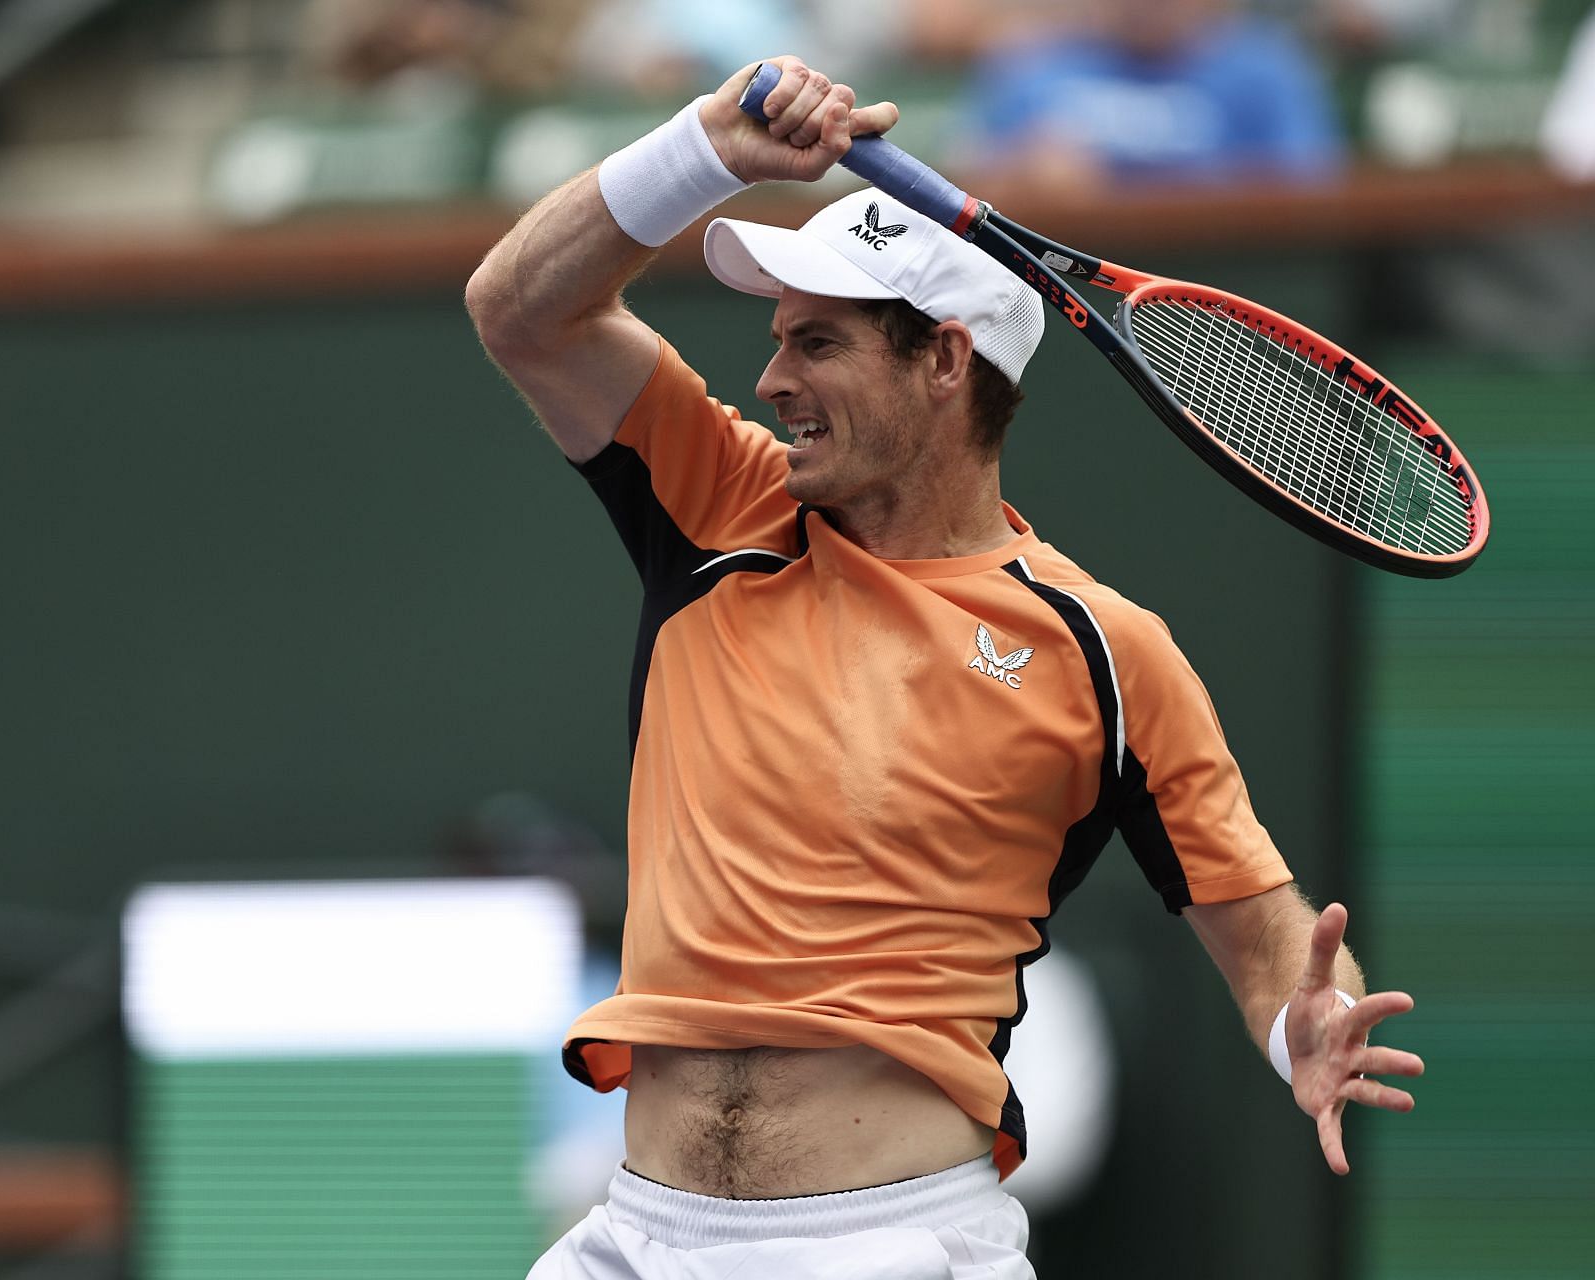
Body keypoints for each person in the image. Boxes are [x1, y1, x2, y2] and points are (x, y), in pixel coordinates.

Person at [465, 55, 1421, 1279]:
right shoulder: (719, 498)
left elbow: (1264, 938)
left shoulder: (1102, 650)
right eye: (775, 341)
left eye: (818, 342)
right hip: (642, 1236)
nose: (771, 380)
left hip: (897, 1247)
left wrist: (1310, 1021)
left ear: (944, 361)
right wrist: (703, 150)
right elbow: (518, 307)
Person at [960, 0, 1345, 190]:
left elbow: (1311, 195)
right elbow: (964, 186)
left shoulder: (1267, 72)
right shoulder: (1033, 68)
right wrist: (1022, 172)